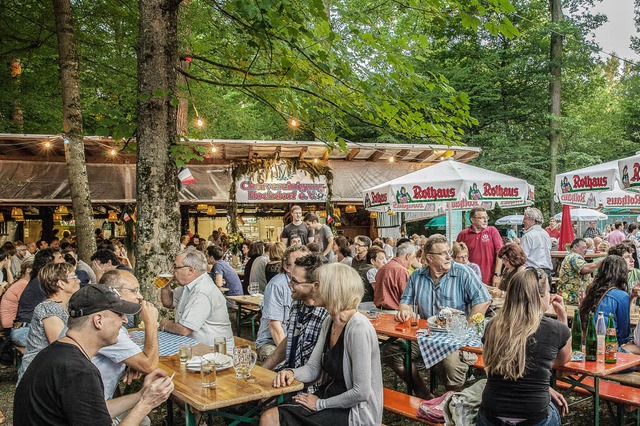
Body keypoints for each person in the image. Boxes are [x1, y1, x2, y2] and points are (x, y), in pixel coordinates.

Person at [13, 284, 173, 426]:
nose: (125, 320)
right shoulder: (79, 371)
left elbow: (96, 412)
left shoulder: (57, 352)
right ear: (98, 321)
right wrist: (146, 404)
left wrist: (141, 395)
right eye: (119, 314)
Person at [260, 263, 383, 426]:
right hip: (329, 398)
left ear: (334, 289)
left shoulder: (358, 328)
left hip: (355, 412)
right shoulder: (329, 321)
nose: (313, 288)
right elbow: (312, 369)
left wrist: (319, 404)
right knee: (271, 416)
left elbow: (361, 392)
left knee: (271, 417)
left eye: (318, 285)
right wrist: (291, 372)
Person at [396, 234, 491, 393]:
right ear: (429, 258)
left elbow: (483, 300)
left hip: (456, 335)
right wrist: (404, 311)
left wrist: (467, 326)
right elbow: (405, 302)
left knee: (449, 363)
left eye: (449, 252)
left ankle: (452, 401)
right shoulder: (417, 276)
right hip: (429, 333)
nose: (449, 257)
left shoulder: (463, 272)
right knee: (394, 352)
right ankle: (423, 393)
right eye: (443, 253)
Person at [478, 269, 571, 426]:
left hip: (491, 416)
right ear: (540, 297)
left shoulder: (493, 325)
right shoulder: (555, 329)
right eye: (549, 291)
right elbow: (562, 361)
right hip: (535, 418)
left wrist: (545, 388)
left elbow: (494, 365)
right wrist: (563, 319)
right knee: (554, 408)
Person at [261, 254, 329, 395]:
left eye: (295, 281)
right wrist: (261, 372)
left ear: (314, 286)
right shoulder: (298, 303)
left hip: (308, 390)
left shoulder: (327, 315)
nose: (289, 284)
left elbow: (321, 371)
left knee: (263, 412)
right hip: (289, 376)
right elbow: (289, 340)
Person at [93, 270, 159, 402]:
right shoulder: (106, 325)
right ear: (114, 292)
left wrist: (129, 364)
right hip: (91, 408)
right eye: (134, 291)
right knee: (144, 420)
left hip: (100, 400)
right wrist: (151, 323)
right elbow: (150, 366)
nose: (140, 296)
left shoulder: (103, 314)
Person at [18, 262, 80, 382]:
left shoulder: (65, 306)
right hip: (38, 376)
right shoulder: (48, 309)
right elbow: (61, 346)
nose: (78, 280)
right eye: (73, 277)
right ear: (60, 283)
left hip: (52, 369)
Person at [160, 249, 234, 348]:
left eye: (175, 267)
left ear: (190, 270)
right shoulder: (190, 285)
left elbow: (184, 330)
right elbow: (168, 303)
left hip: (212, 353)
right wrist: (165, 286)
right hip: (195, 347)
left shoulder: (202, 291)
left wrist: (165, 325)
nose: (172, 271)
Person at [255, 245, 309, 362]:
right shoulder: (277, 285)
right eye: (298, 263)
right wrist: (290, 359)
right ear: (286, 266)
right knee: (281, 370)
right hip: (272, 342)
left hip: (294, 342)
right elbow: (275, 328)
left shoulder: (307, 285)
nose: (303, 267)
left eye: (305, 263)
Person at [580, 255, 639, 346]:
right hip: (607, 347)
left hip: (586, 343)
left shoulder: (592, 290)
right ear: (623, 274)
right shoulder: (621, 295)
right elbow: (623, 335)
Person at [12, 248, 65, 346]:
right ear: (50, 263)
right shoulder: (42, 282)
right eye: (60, 258)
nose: (63, 261)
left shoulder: (39, 280)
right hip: (25, 331)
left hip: (26, 329)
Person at [456, 206, 503, 286]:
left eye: (486, 217)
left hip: (490, 279)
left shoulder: (492, 231)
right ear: (472, 220)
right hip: (469, 280)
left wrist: (497, 274)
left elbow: (501, 253)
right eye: (481, 218)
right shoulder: (463, 234)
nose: (485, 220)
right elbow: (456, 256)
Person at [557, 238, 603, 304]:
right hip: (572, 298)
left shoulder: (571, 256)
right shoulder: (574, 256)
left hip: (569, 296)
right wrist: (604, 261)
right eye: (584, 248)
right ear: (575, 247)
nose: (586, 250)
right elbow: (585, 269)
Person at [373, 242, 417, 311]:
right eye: (413, 258)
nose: (413, 261)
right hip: (393, 313)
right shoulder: (401, 270)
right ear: (408, 256)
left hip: (378, 311)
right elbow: (406, 296)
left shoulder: (382, 268)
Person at [521, 207, 553, 283]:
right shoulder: (546, 234)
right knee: (545, 294)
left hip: (532, 274)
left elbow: (522, 257)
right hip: (547, 273)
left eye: (525, 218)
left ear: (532, 220)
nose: (523, 221)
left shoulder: (528, 236)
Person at [0, 257, 33, 331]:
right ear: (28, 270)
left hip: (14, 321)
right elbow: (30, 306)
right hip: (12, 324)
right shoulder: (23, 284)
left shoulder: (24, 282)